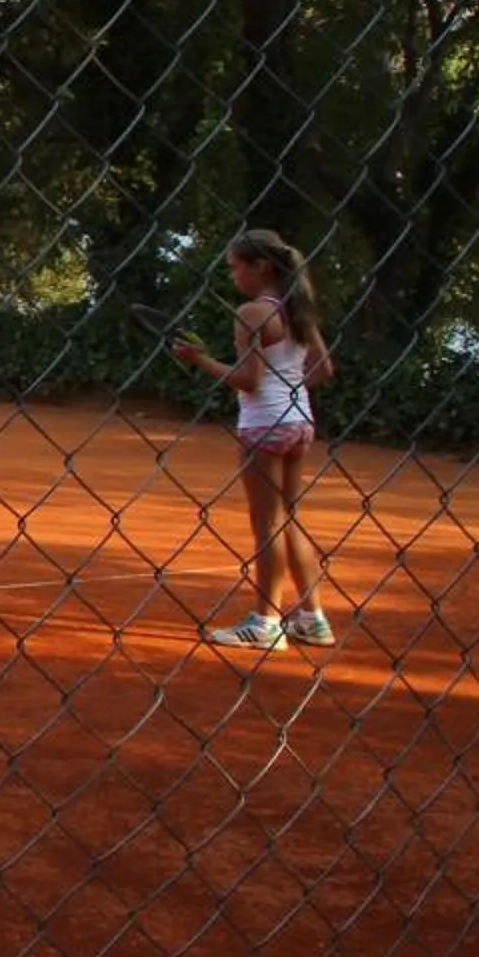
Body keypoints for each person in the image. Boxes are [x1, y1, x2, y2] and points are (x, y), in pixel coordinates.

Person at [171, 229, 337, 650]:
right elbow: (322, 369)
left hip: (263, 425)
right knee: (289, 517)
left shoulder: (251, 313)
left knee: (266, 524)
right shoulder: (298, 308)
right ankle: (313, 619)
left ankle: (266, 622)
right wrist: (290, 388)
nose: (233, 276)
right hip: (300, 423)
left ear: (259, 266)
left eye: (235, 267)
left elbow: (248, 380)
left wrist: (199, 359)